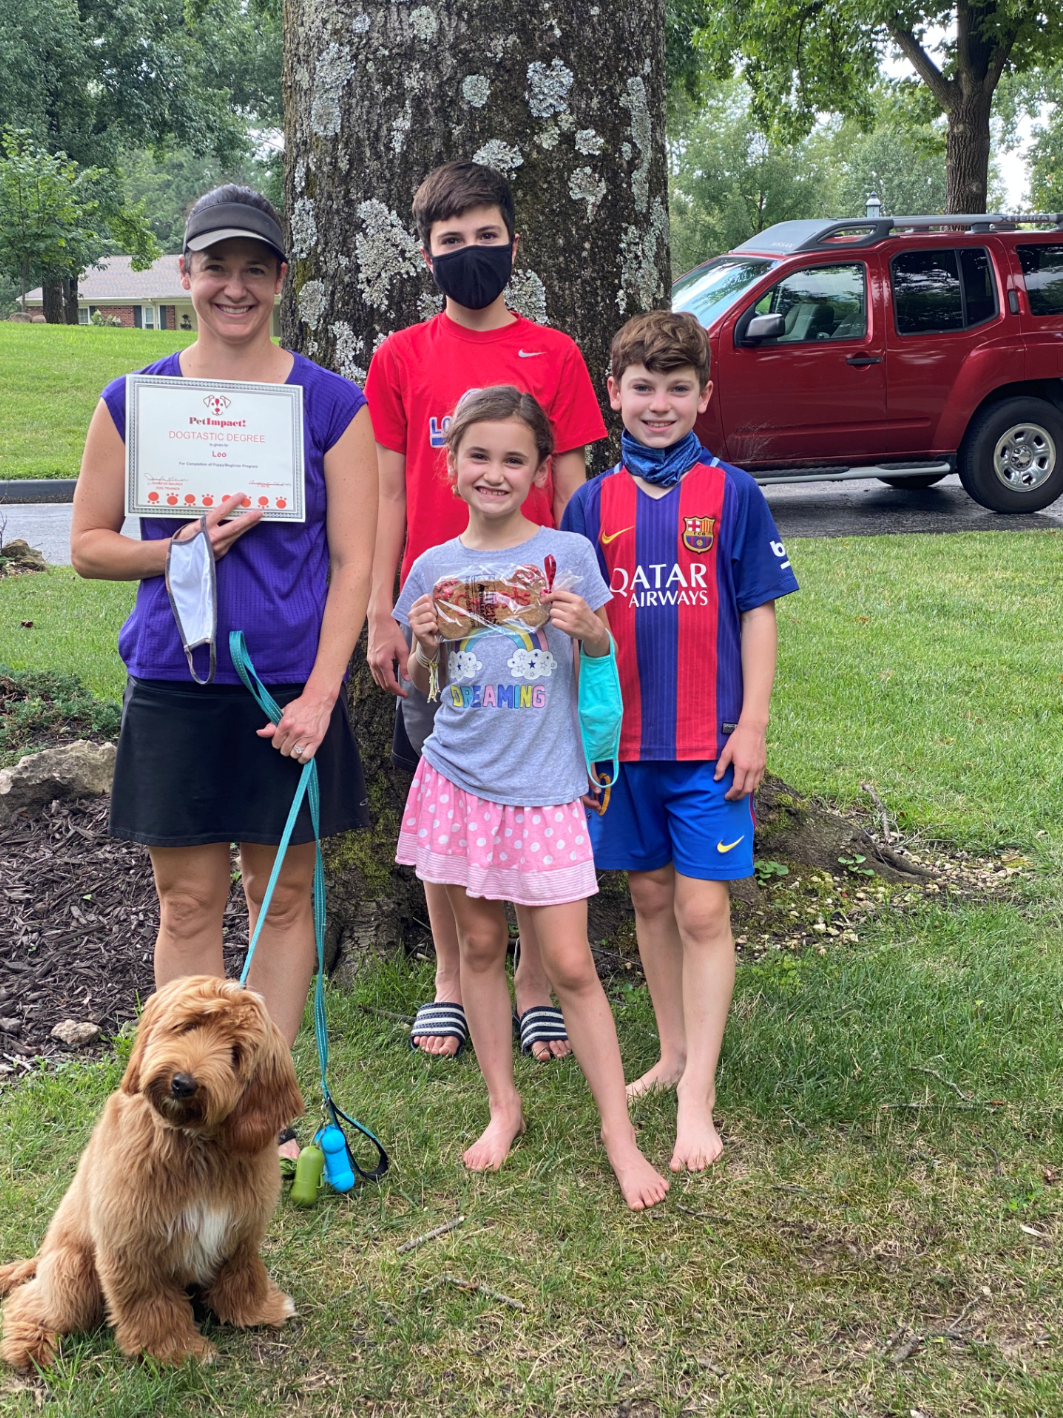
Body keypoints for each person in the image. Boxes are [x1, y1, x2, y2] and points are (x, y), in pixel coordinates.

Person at [70, 186, 379, 1158]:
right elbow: (85, 543)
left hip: (287, 693)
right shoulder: (135, 399)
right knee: (188, 905)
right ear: (187, 275)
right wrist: (180, 548)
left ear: (281, 279)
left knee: (284, 900)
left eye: (255, 268)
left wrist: (323, 693)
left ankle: (262, 1116)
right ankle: (187, 1107)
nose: (234, 286)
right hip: (173, 682)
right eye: (217, 266)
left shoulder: (331, 404)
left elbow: (356, 564)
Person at [393, 385, 668, 1211]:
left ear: (541, 470)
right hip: (457, 784)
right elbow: (422, 695)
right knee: (477, 950)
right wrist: (422, 651)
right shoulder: (430, 569)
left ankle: (618, 1134)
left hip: (545, 792)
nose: (495, 472)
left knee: (573, 965)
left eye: (514, 459)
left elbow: (600, 671)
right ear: (449, 467)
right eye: (478, 456)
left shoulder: (569, 554)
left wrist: (590, 633)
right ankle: (502, 1106)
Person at [365, 161, 607, 1062]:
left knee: (539, 788)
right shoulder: (399, 356)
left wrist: (581, 608)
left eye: (486, 236)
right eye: (451, 240)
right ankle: (448, 979)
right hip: (437, 622)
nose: (471, 253)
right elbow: (387, 498)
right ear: (426, 252)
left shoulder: (556, 353)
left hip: (534, 623)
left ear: (513, 240)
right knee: (445, 790)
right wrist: (384, 616)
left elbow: (575, 494)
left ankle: (535, 981)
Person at [561, 310, 799, 1173]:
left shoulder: (732, 493)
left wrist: (753, 725)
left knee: (703, 909)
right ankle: (666, 1055)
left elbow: (757, 612)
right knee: (650, 901)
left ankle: (697, 1093)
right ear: (613, 394)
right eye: (640, 388)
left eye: (675, 388)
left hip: (709, 745)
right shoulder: (591, 502)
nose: (657, 404)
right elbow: (574, 625)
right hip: (621, 750)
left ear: (704, 395)